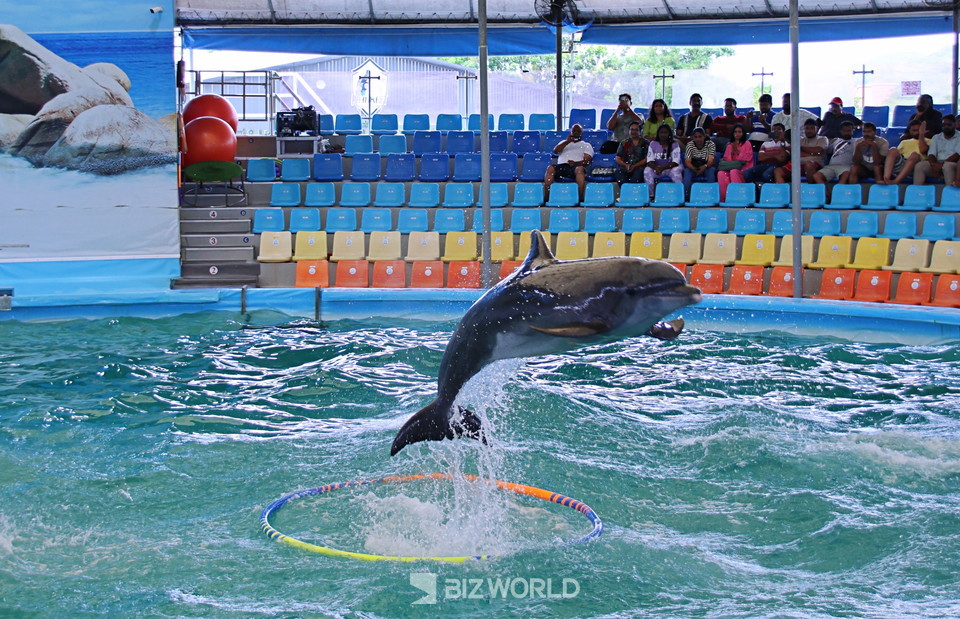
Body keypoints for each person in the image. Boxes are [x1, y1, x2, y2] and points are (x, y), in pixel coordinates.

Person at [544, 123, 593, 201]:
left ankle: (579, 198)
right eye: (574, 131)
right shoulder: (564, 142)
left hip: (574, 167)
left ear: (582, 133)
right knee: (550, 168)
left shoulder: (586, 145)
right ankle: (547, 198)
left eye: (578, 131)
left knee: (580, 169)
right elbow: (556, 151)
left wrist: (575, 163)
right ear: (571, 132)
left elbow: (587, 161)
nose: (576, 133)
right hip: (561, 166)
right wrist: (567, 142)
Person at [773, 118, 827, 183]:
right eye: (807, 128)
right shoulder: (801, 140)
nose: (809, 130)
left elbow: (818, 150)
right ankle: (783, 192)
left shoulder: (822, 139)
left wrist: (800, 148)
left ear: (817, 129)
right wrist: (811, 153)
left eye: (812, 128)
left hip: (815, 165)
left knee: (809, 164)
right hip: (798, 164)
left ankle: (810, 190)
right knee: (778, 171)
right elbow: (794, 152)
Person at [912, 114, 960, 186]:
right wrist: (934, 165)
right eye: (944, 125)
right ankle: (917, 193)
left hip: (953, 164)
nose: (946, 126)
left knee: (947, 166)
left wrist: (941, 165)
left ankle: (950, 194)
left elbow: (957, 155)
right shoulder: (936, 137)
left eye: (949, 124)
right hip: (937, 163)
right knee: (920, 165)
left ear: (955, 125)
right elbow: (931, 154)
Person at [809, 120, 857, 186]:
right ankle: (828, 195)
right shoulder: (836, 141)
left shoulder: (856, 141)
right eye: (844, 131)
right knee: (816, 176)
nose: (846, 133)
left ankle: (836, 194)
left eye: (849, 131)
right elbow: (826, 151)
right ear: (841, 131)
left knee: (846, 175)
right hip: (831, 166)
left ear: (853, 131)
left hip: (846, 167)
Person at [882, 119, 928, 184]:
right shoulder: (904, 142)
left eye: (919, 130)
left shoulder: (928, 141)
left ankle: (896, 181)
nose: (917, 132)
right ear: (910, 131)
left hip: (917, 166)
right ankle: (886, 179)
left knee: (914, 155)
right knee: (893, 150)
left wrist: (921, 135)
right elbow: (896, 155)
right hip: (903, 163)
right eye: (914, 130)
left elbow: (923, 150)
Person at [716, 123, 753, 201]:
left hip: (744, 168)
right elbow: (726, 159)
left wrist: (737, 152)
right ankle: (725, 198)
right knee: (721, 173)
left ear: (743, 133)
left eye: (739, 132)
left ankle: (737, 197)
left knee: (734, 172)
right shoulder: (729, 145)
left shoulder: (747, 143)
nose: (737, 134)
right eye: (735, 132)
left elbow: (746, 159)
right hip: (731, 167)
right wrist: (732, 153)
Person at [645, 123, 682, 195]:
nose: (663, 134)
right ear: (658, 133)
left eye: (665, 132)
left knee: (676, 171)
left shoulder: (674, 144)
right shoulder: (653, 144)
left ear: (669, 134)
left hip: (670, 168)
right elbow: (649, 160)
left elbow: (676, 162)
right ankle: (650, 195)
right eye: (661, 132)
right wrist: (656, 167)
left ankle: (679, 195)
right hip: (657, 169)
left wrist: (663, 168)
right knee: (647, 170)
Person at [682, 127, 716, 198]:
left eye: (700, 136)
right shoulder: (690, 145)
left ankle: (711, 195)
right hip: (693, 166)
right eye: (696, 137)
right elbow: (687, 162)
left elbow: (711, 161)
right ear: (693, 138)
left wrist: (704, 167)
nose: (698, 139)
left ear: (704, 136)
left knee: (711, 171)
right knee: (687, 172)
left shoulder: (710, 144)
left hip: (707, 166)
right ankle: (685, 196)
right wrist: (694, 169)